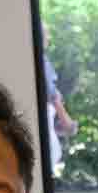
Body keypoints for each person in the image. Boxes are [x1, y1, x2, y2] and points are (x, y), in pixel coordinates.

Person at [40, 23, 76, 176]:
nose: (49, 38)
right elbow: (53, 96)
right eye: (46, 34)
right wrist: (67, 123)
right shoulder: (41, 61)